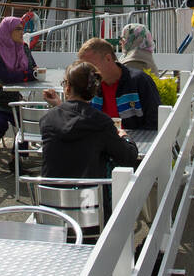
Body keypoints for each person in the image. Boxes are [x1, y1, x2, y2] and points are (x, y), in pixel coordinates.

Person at [40, 61, 140, 201]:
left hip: (51, 205)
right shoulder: (101, 122)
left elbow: (70, 124)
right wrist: (125, 137)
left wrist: (59, 106)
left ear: (67, 87)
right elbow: (127, 157)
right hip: (89, 208)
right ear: (93, 90)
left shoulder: (48, 119)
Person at [0, 14, 39, 174]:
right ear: (7, 30)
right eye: (17, 29)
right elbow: (5, 77)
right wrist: (26, 75)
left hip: (11, 100)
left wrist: (25, 74)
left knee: (27, 122)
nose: (21, 32)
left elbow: (35, 69)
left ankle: (16, 159)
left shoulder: (23, 48)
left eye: (22, 29)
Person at [56, 37, 160, 130]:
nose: (88, 71)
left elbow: (154, 122)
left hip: (135, 145)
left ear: (108, 58)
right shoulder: (88, 84)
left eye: (91, 65)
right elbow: (78, 119)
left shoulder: (140, 81)